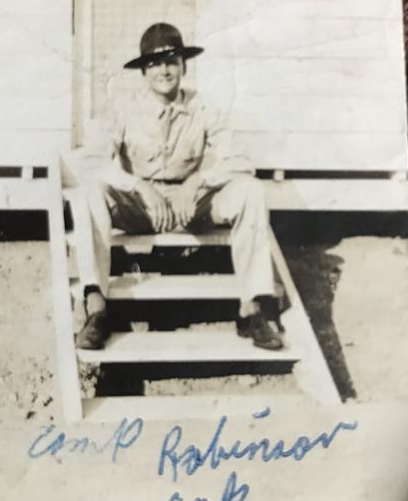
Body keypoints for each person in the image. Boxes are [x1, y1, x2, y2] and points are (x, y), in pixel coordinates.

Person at [74, 22, 283, 351]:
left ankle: (251, 309)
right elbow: (91, 161)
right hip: (141, 207)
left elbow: (240, 160)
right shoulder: (124, 109)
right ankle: (96, 307)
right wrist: (138, 185)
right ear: (144, 71)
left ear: (184, 66)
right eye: (155, 64)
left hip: (190, 205)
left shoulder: (204, 107)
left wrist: (199, 181)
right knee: (89, 192)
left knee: (251, 190)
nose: (165, 71)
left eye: (172, 61)